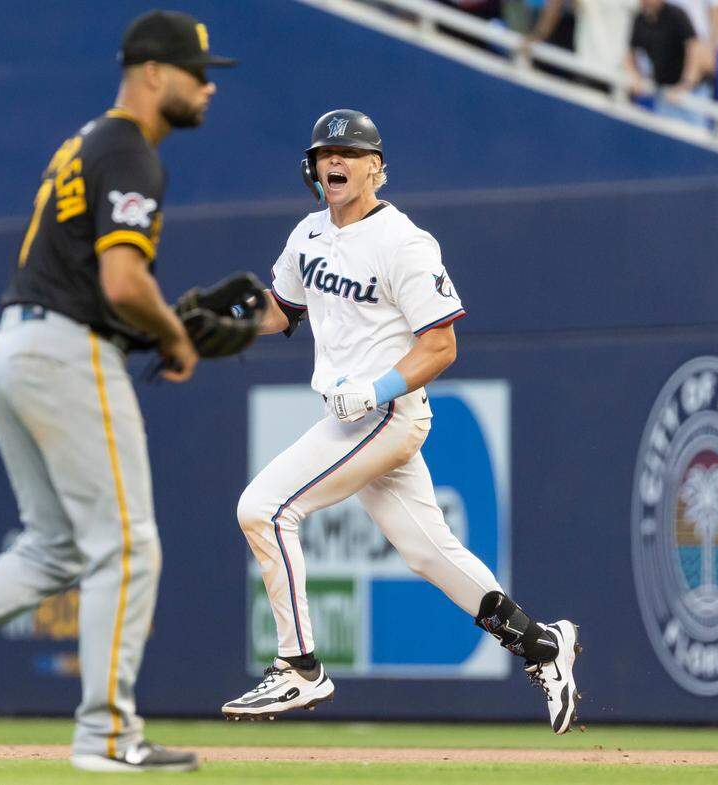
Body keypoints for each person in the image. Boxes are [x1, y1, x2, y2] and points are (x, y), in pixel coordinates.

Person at [0, 9, 234, 774]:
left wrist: (149, 321)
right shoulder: (131, 151)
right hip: (66, 352)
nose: (208, 88)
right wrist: (170, 333)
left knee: (56, 544)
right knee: (127, 546)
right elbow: (123, 281)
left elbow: (95, 279)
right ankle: (106, 736)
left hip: (16, 346)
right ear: (154, 73)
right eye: (198, 74)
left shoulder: (85, 144)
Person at [220, 109, 583, 734]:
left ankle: (299, 666)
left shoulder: (403, 242)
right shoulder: (308, 234)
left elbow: (441, 346)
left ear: (377, 170)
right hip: (353, 415)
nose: (335, 161)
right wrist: (225, 319)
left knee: (265, 509)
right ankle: (543, 645)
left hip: (384, 413)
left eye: (351, 153)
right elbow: (281, 311)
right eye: (325, 153)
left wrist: (375, 388)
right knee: (429, 553)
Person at [626, 0, 710, 125]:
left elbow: (694, 49)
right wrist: (635, 76)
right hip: (664, 91)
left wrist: (685, 85)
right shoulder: (640, 19)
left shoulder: (676, 15)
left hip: (692, 92)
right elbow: (630, 53)